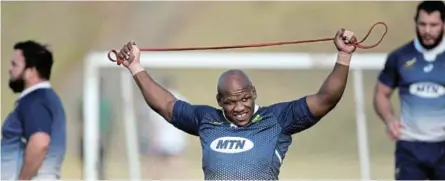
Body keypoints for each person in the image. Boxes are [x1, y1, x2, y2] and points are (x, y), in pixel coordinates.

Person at [113, 28, 356, 180]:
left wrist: (344, 55)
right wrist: (135, 66)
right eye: (230, 102)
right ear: (220, 101)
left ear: (254, 93)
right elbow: (166, 105)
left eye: (245, 99)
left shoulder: (278, 119)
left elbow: (326, 98)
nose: (239, 107)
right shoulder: (207, 119)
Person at [373, 1, 445, 180]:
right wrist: (389, 119)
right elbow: (381, 93)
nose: (427, 31)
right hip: (410, 147)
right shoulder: (400, 57)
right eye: (422, 24)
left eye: (433, 25)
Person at [1, 40, 66, 180]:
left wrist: (22, 179)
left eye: (15, 65)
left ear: (31, 71)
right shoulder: (46, 99)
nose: (10, 69)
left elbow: (40, 142)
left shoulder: (34, 101)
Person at [138, 76, 189, 179]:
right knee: (176, 163)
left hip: (161, 138)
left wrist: (152, 139)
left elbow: (154, 122)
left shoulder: (159, 100)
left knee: (156, 164)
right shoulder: (182, 99)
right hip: (177, 139)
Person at [78, 80, 113, 180]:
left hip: (91, 139)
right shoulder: (87, 102)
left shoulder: (88, 102)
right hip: (97, 139)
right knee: (97, 166)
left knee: (91, 166)